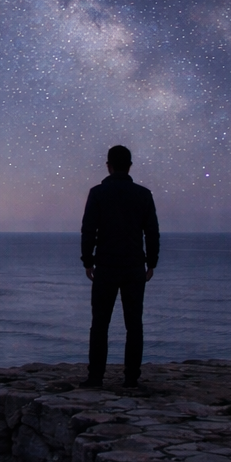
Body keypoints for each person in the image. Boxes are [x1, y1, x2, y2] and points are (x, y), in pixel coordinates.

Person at [79, 144, 160, 389]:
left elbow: (88, 230)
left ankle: (95, 378)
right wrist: (151, 262)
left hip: (106, 265)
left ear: (108, 165)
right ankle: (131, 378)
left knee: (100, 324)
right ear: (130, 166)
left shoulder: (98, 193)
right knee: (134, 324)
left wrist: (88, 261)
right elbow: (152, 232)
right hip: (134, 266)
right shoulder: (143, 194)